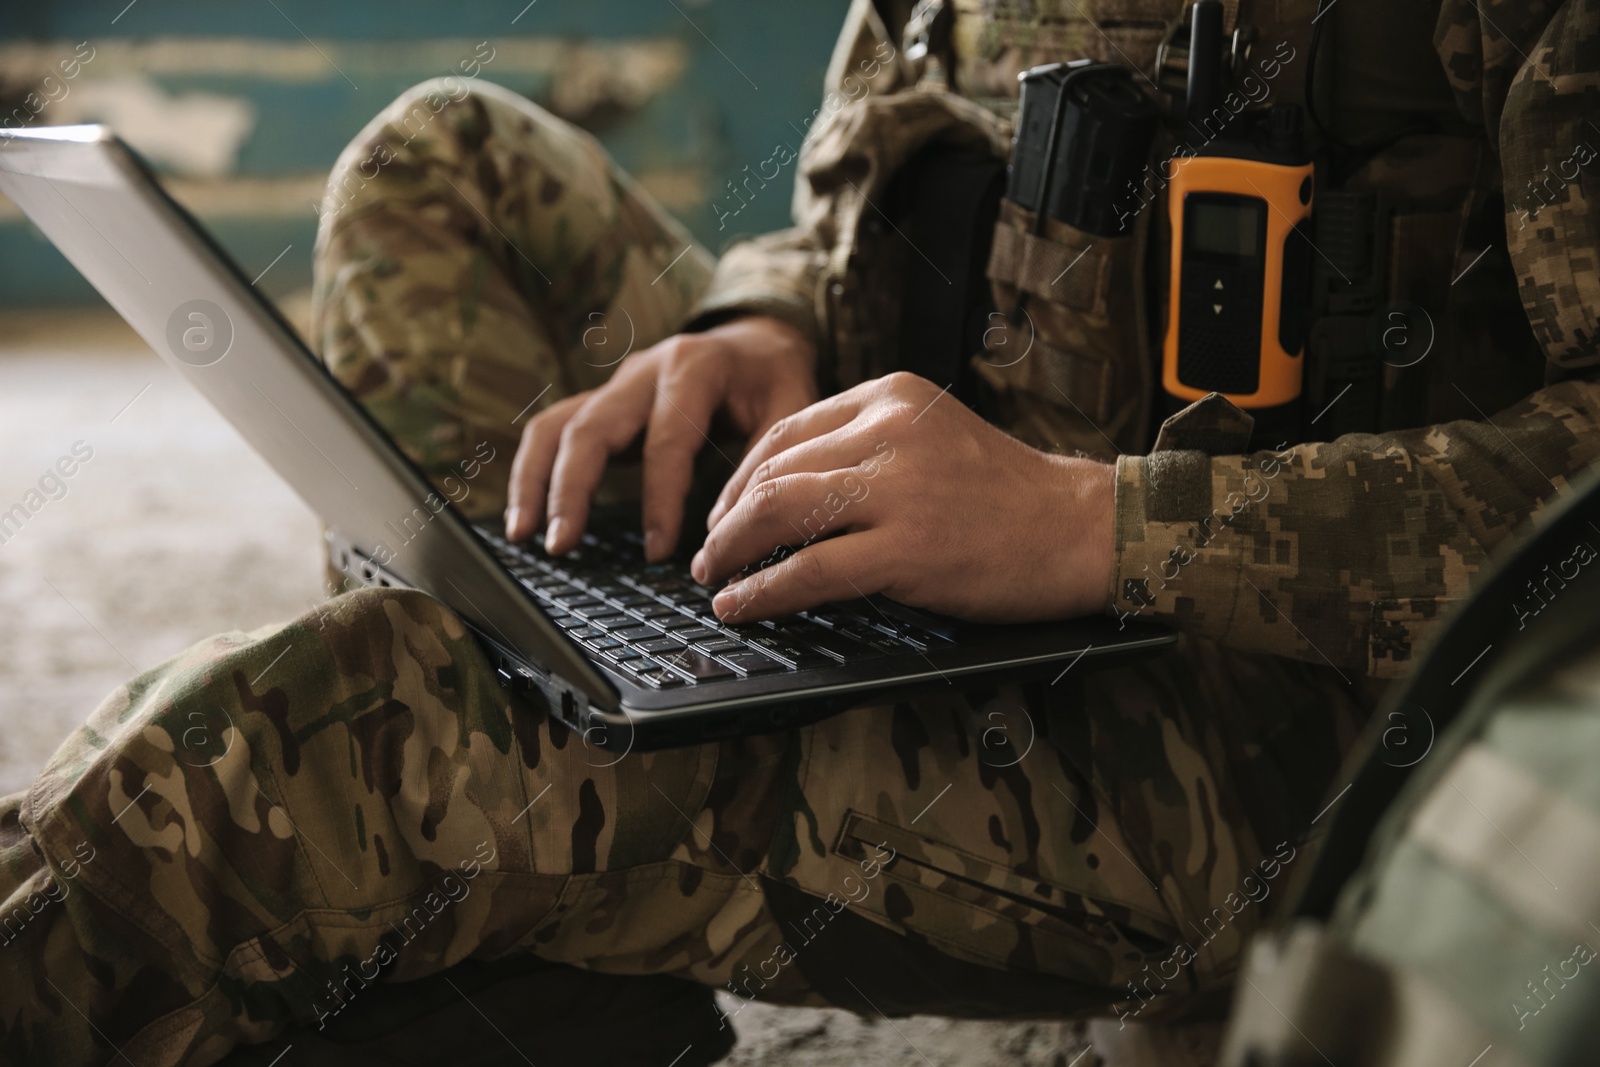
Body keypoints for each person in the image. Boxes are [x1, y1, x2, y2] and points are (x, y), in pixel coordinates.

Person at [0, 0, 1593, 1064]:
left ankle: (492, 823)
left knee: (313, 745)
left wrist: (1100, 527)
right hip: (914, 525)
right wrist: (764, 321)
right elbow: (859, 186)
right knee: (444, 162)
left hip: (1286, 706)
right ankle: (533, 903)